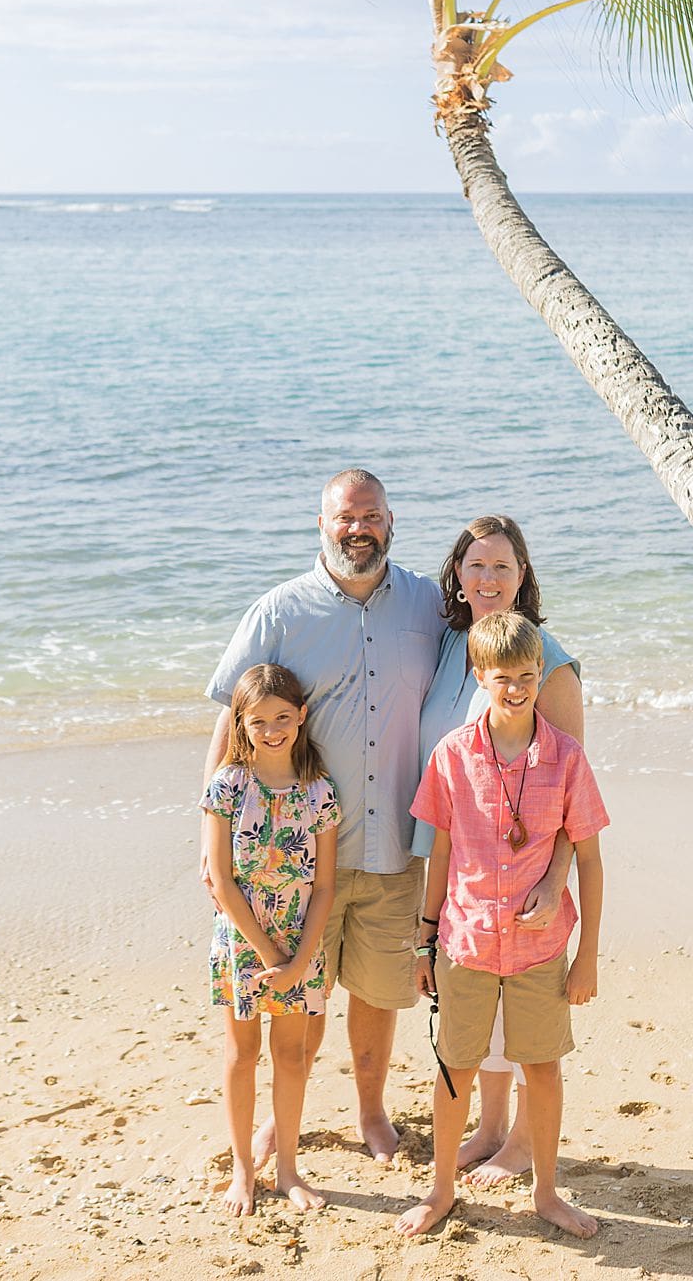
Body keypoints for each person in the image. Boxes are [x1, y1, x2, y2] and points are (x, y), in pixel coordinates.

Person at [203, 468, 444, 1163]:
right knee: (298, 996)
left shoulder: (427, 603)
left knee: (378, 991)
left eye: (370, 516)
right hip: (298, 857)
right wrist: (207, 836)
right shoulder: (279, 611)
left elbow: (489, 653)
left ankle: (371, 1113)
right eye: (344, 518)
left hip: (395, 841)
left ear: (391, 521)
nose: (357, 528)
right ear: (321, 525)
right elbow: (231, 720)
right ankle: (284, 1120)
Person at [397, 610, 608, 1240]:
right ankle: (439, 1192)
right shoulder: (451, 757)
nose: (514, 688)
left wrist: (588, 955)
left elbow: (590, 862)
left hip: (541, 950)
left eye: (525, 675)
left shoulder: (566, 759)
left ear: (540, 674)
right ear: (478, 676)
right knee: (454, 1066)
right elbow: (439, 855)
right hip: (464, 942)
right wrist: (425, 940)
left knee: (540, 1067)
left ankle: (546, 1192)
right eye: (500, 677)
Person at [413, 513, 583, 1182]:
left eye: (502, 566)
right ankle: (487, 1126)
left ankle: (518, 1141)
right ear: (457, 573)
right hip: (461, 873)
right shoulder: (455, 645)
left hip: (528, 876)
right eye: (475, 564)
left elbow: (569, 790)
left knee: (527, 1028)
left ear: (522, 576)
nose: (487, 577)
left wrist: (556, 877)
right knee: (473, 1018)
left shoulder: (550, 660)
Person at [201, 663, 341, 1216]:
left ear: (301, 716)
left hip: (301, 941)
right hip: (245, 942)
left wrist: (298, 960)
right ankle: (243, 1170)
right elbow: (221, 880)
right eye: (259, 720)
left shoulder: (320, 792)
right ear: (241, 722)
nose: (273, 728)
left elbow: (326, 888)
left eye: (283, 717)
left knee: (292, 1053)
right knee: (242, 1053)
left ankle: (287, 1170)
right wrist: (269, 955)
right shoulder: (227, 787)